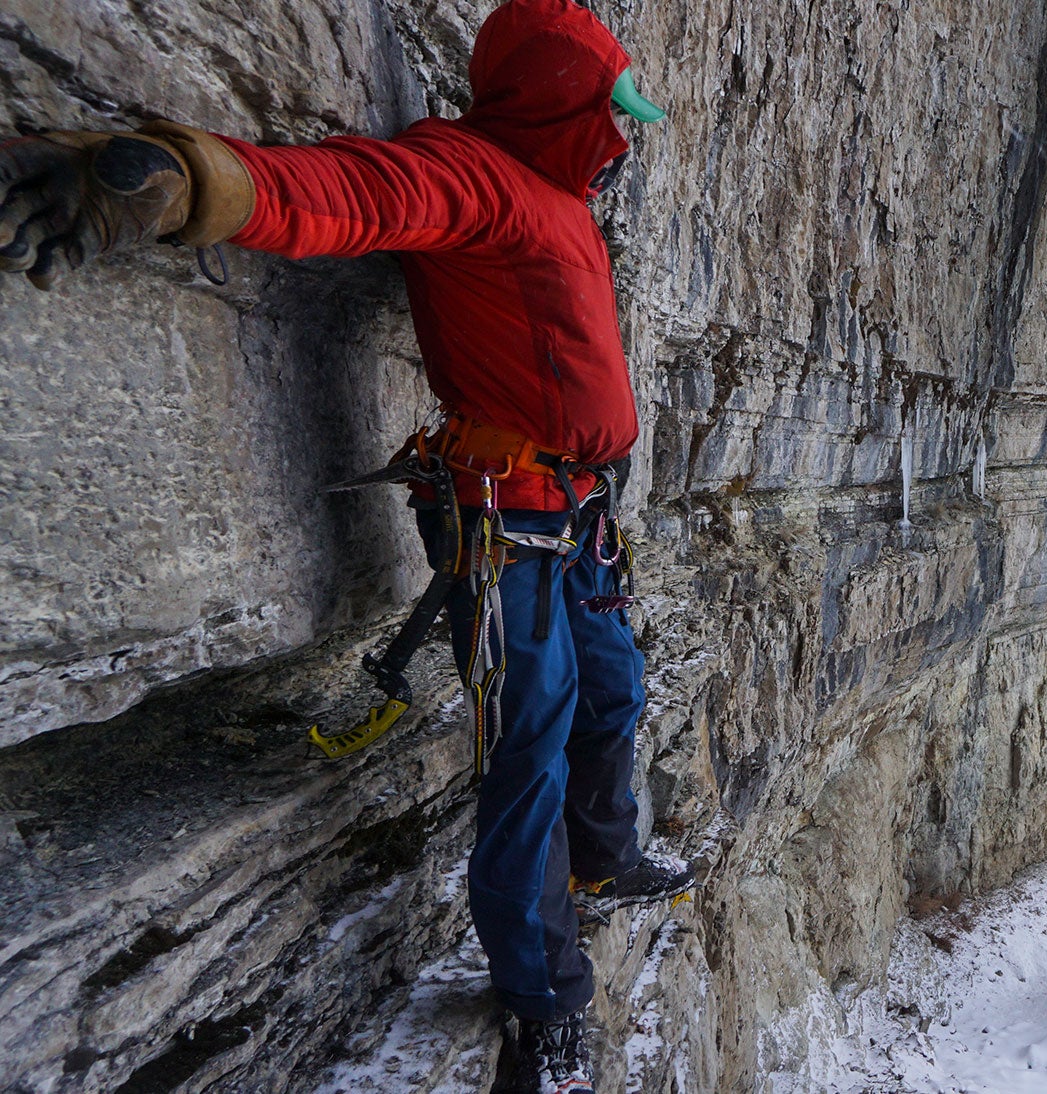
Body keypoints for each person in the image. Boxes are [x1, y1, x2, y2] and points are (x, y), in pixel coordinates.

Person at [0, 2, 690, 1090]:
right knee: (530, 746)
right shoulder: (473, 173)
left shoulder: (557, 196)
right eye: (610, 108)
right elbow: (351, 192)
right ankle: (541, 993)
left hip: (570, 514)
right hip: (506, 522)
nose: (623, 129)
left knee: (615, 689)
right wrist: (192, 182)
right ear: (560, 103)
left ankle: (603, 856)